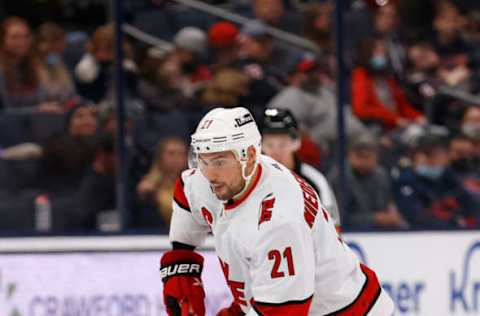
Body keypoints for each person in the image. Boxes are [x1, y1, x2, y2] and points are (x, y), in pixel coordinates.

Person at [160, 107, 395, 316]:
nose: (209, 174)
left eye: (219, 161)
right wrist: (182, 260)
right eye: (203, 160)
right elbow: (187, 194)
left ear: (250, 156)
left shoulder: (279, 220)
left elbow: (283, 311)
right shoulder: (217, 177)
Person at [261, 108, 341, 229]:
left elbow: (333, 229)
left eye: (283, 144)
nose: (276, 152)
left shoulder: (315, 181)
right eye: (269, 145)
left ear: (296, 143)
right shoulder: (248, 181)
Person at [392, 134, 479, 229]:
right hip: (420, 232)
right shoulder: (406, 179)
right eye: (440, 157)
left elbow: (466, 198)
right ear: (422, 157)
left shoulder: (445, 173)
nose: (445, 161)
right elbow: (414, 214)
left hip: (450, 227)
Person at [329, 133, 408, 231]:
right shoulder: (340, 177)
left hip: (381, 232)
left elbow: (387, 204)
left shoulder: (381, 175)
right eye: (360, 155)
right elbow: (339, 217)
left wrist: (391, 212)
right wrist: (374, 218)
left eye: (369, 155)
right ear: (350, 155)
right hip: (351, 232)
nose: (364, 161)